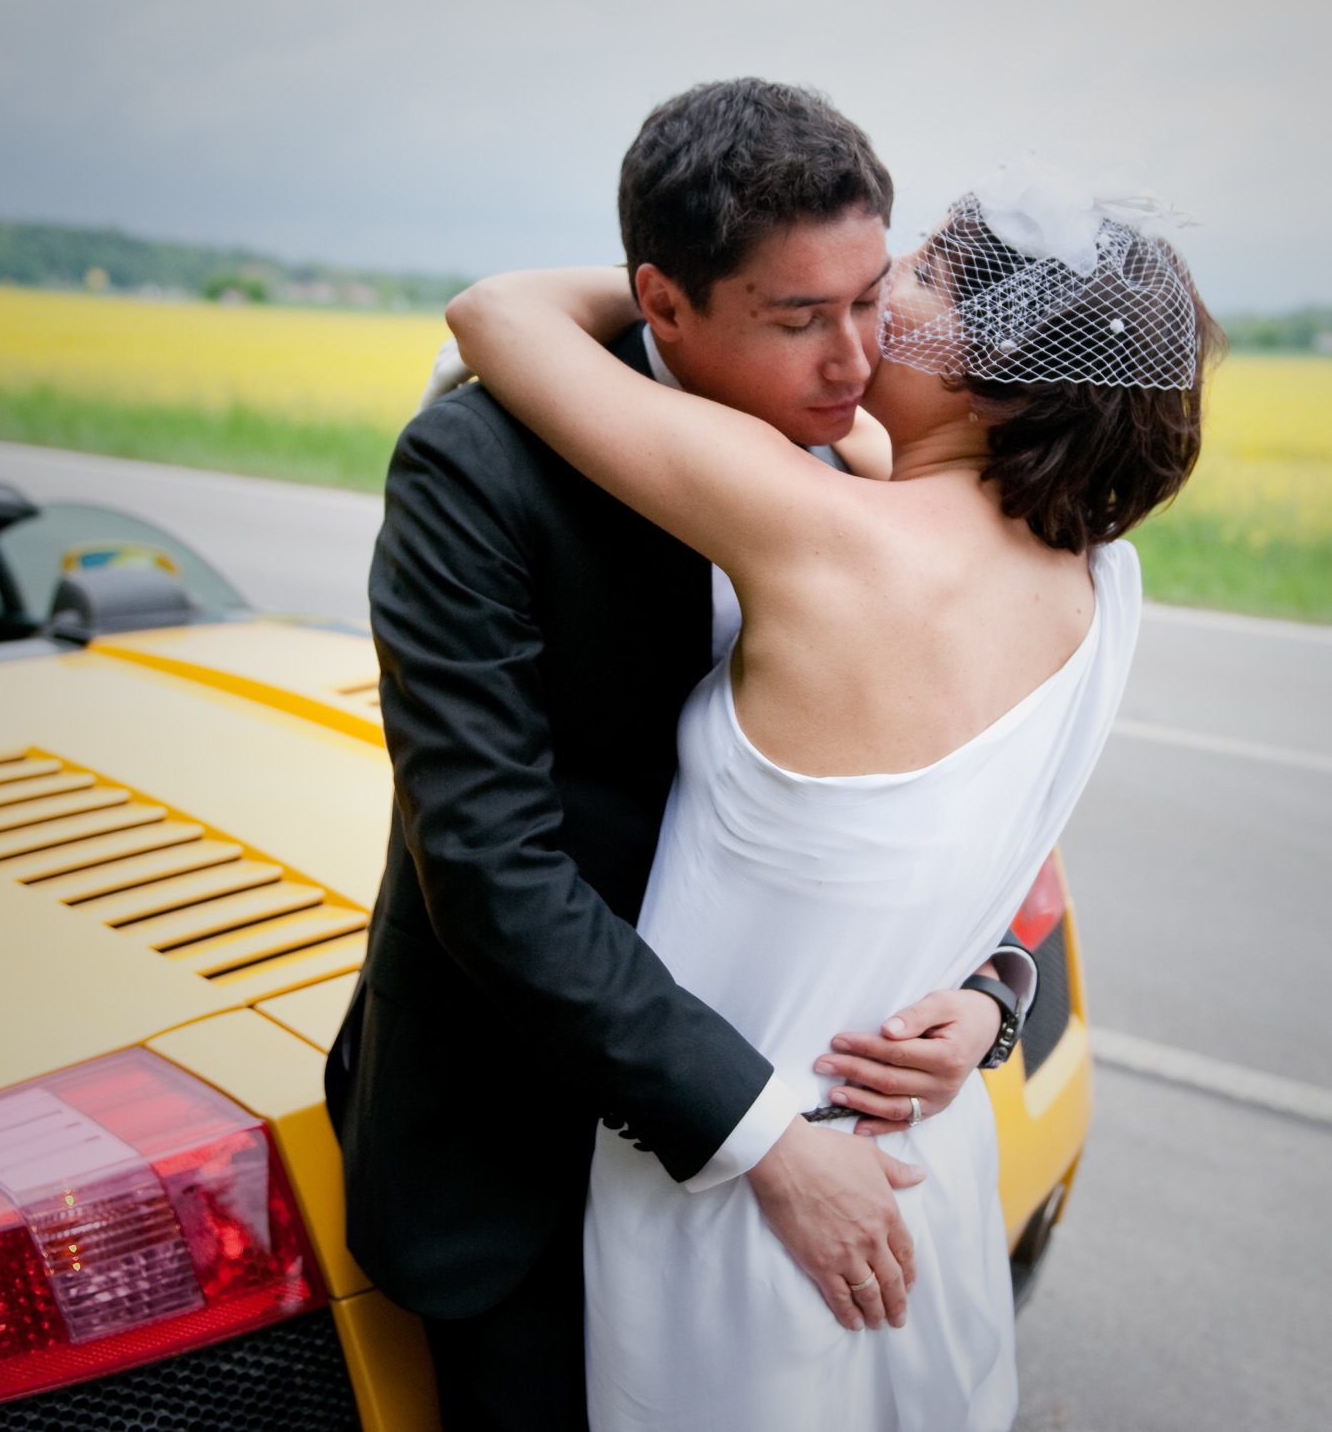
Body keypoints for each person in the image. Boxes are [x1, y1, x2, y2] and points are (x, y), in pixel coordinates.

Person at [445, 148, 1218, 1430]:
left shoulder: (819, 535)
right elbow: (973, 858)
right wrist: (989, 1002)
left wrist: (718, 292)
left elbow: (495, 314)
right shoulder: (1100, 584)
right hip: (927, 1170)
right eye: (828, 302)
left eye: (898, 285)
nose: (863, 312)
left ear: (981, 369)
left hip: (745, 1190)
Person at [324, 80, 1041, 1432]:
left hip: (821, 1139)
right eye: (796, 316)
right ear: (659, 303)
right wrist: (760, 1138)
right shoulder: (477, 467)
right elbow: (488, 864)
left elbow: (961, 795)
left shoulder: (880, 466)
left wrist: (990, 987)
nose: (855, 356)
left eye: (870, 297)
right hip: (530, 1143)